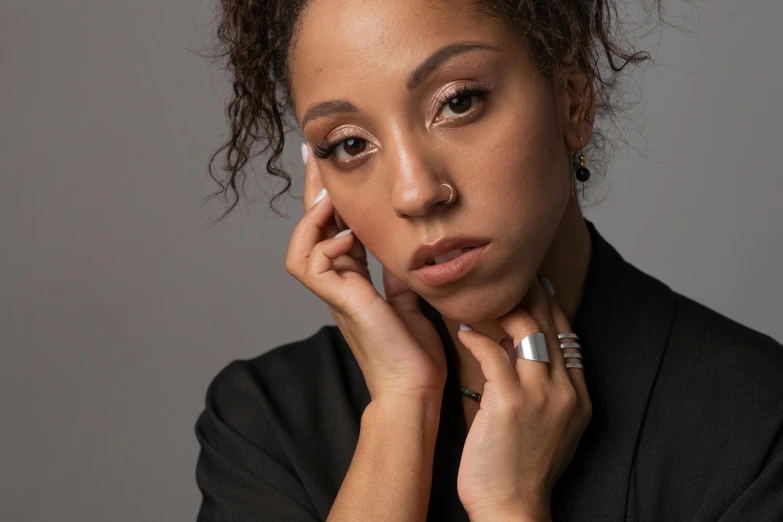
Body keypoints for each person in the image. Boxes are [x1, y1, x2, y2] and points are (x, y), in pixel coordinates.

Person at [193, 0, 783, 520]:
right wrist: (402, 410)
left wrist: (511, 506)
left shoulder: (755, 421)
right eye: (350, 144)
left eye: (458, 102)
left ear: (573, 100)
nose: (415, 192)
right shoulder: (265, 422)